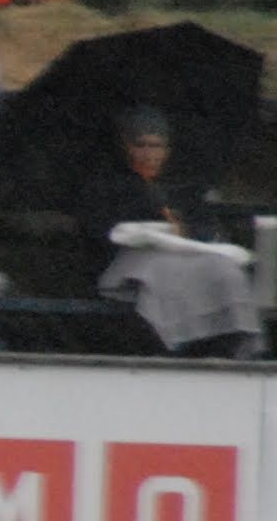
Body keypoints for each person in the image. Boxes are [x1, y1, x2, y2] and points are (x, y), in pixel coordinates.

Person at [76, 106, 259, 358]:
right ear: (125, 146)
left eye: (157, 146)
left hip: (185, 258)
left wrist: (186, 231)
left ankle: (228, 340)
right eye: (141, 145)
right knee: (164, 272)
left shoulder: (181, 190)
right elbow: (102, 232)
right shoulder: (107, 186)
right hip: (130, 264)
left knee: (224, 269)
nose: (149, 154)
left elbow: (202, 228)